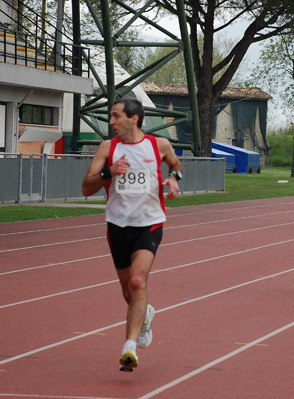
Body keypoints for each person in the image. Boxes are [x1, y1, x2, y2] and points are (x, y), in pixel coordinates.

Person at [82, 97, 183, 372]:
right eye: (110, 117)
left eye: (116, 116)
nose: (111, 122)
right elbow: (86, 188)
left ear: (134, 119)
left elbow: (176, 165)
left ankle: (129, 346)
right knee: (129, 293)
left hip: (149, 223)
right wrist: (108, 172)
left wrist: (175, 179)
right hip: (117, 226)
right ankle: (145, 315)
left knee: (138, 282)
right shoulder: (107, 148)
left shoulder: (157, 145)